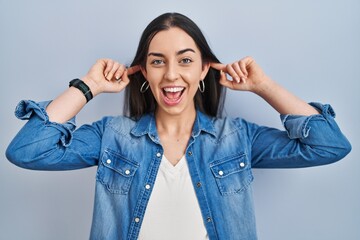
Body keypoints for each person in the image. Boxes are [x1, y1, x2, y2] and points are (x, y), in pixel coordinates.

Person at [6, 12, 351, 240]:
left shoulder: (236, 138)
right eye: (158, 62)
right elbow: (27, 151)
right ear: (143, 71)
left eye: (185, 60)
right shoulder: (112, 136)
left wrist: (263, 86)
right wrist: (89, 86)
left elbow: (329, 144)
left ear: (204, 69)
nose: (171, 75)